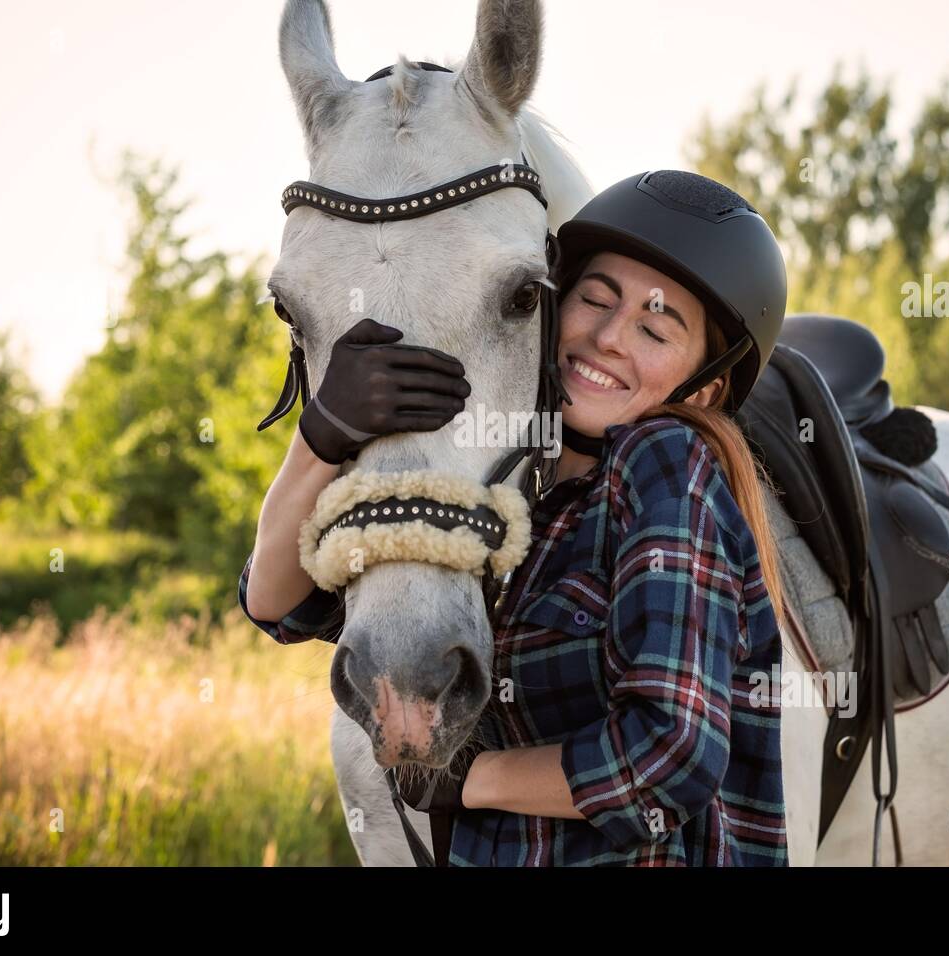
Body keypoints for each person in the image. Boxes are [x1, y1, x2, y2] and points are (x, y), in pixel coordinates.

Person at [239, 170, 789, 867]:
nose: (611, 337)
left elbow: (669, 753)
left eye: (654, 328)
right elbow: (276, 604)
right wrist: (321, 433)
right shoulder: (505, 483)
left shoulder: (665, 462)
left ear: (704, 387)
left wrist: (469, 781)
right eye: (595, 300)